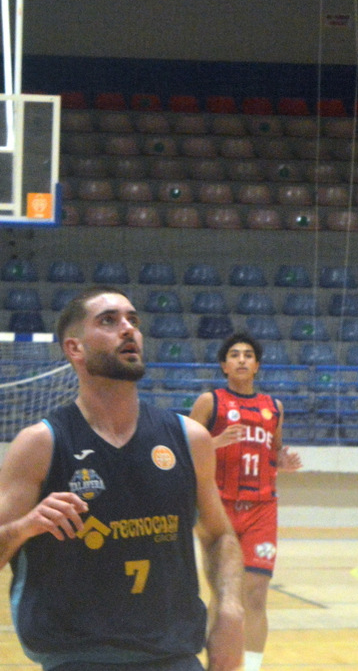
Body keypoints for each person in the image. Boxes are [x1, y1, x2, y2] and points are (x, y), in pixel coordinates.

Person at [0, 287, 243, 671]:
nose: (128, 329)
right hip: (77, 657)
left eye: (133, 320)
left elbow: (219, 536)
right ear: (74, 348)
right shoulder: (40, 445)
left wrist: (230, 611)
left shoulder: (188, 438)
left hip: (174, 654)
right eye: (109, 321)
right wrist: (24, 528)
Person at [189, 334, 302, 671]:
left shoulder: (274, 408)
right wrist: (215, 442)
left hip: (262, 509)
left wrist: (281, 461)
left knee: (254, 596)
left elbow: (273, 449)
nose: (241, 360)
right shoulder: (210, 402)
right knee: (225, 597)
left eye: (248, 355)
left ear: (257, 365)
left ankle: (249, 668)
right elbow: (184, 450)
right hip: (217, 507)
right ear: (224, 366)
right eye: (234, 355)